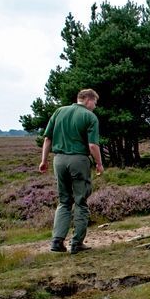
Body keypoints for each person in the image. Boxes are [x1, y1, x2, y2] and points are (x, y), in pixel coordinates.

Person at [39, 89, 104, 254]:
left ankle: (57, 241)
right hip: (78, 160)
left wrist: (44, 160)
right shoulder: (89, 117)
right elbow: (92, 146)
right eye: (95, 103)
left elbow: (47, 138)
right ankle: (77, 243)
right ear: (88, 100)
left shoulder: (59, 111)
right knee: (81, 202)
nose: (95, 107)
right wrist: (99, 163)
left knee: (64, 201)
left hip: (58, 160)